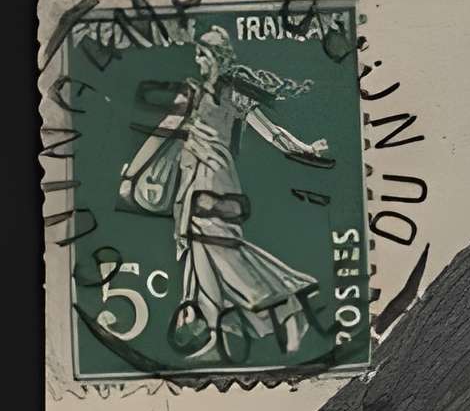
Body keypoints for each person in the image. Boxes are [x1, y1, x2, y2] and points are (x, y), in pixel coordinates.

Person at [116, 24, 333, 360]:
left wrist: (305, 148)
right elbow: (163, 133)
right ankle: (210, 322)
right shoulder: (214, 93)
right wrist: (305, 148)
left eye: (203, 55)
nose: (199, 61)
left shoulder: (217, 93)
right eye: (199, 55)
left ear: (214, 58)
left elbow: (270, 133)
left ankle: (281, 300)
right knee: (203, 250)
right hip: (202, 180)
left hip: (209, 178)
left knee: (213, 248)